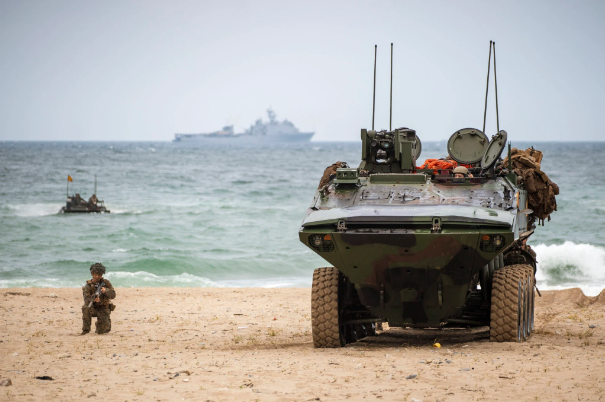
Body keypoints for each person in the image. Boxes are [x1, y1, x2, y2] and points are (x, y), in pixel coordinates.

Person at [80, 263, 116, 335]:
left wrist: (106, 291)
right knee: (85, 308)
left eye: (99, 274)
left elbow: (113, 295)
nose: (97, 276)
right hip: (93, 308)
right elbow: (86, 300)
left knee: (104, 330)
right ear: (92, 274)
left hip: (103, 309)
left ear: (102, 274)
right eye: (95, 274)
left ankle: (99, 324)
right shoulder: (88, 286)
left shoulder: (106, 283)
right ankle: (86, 329)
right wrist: (93, 300)